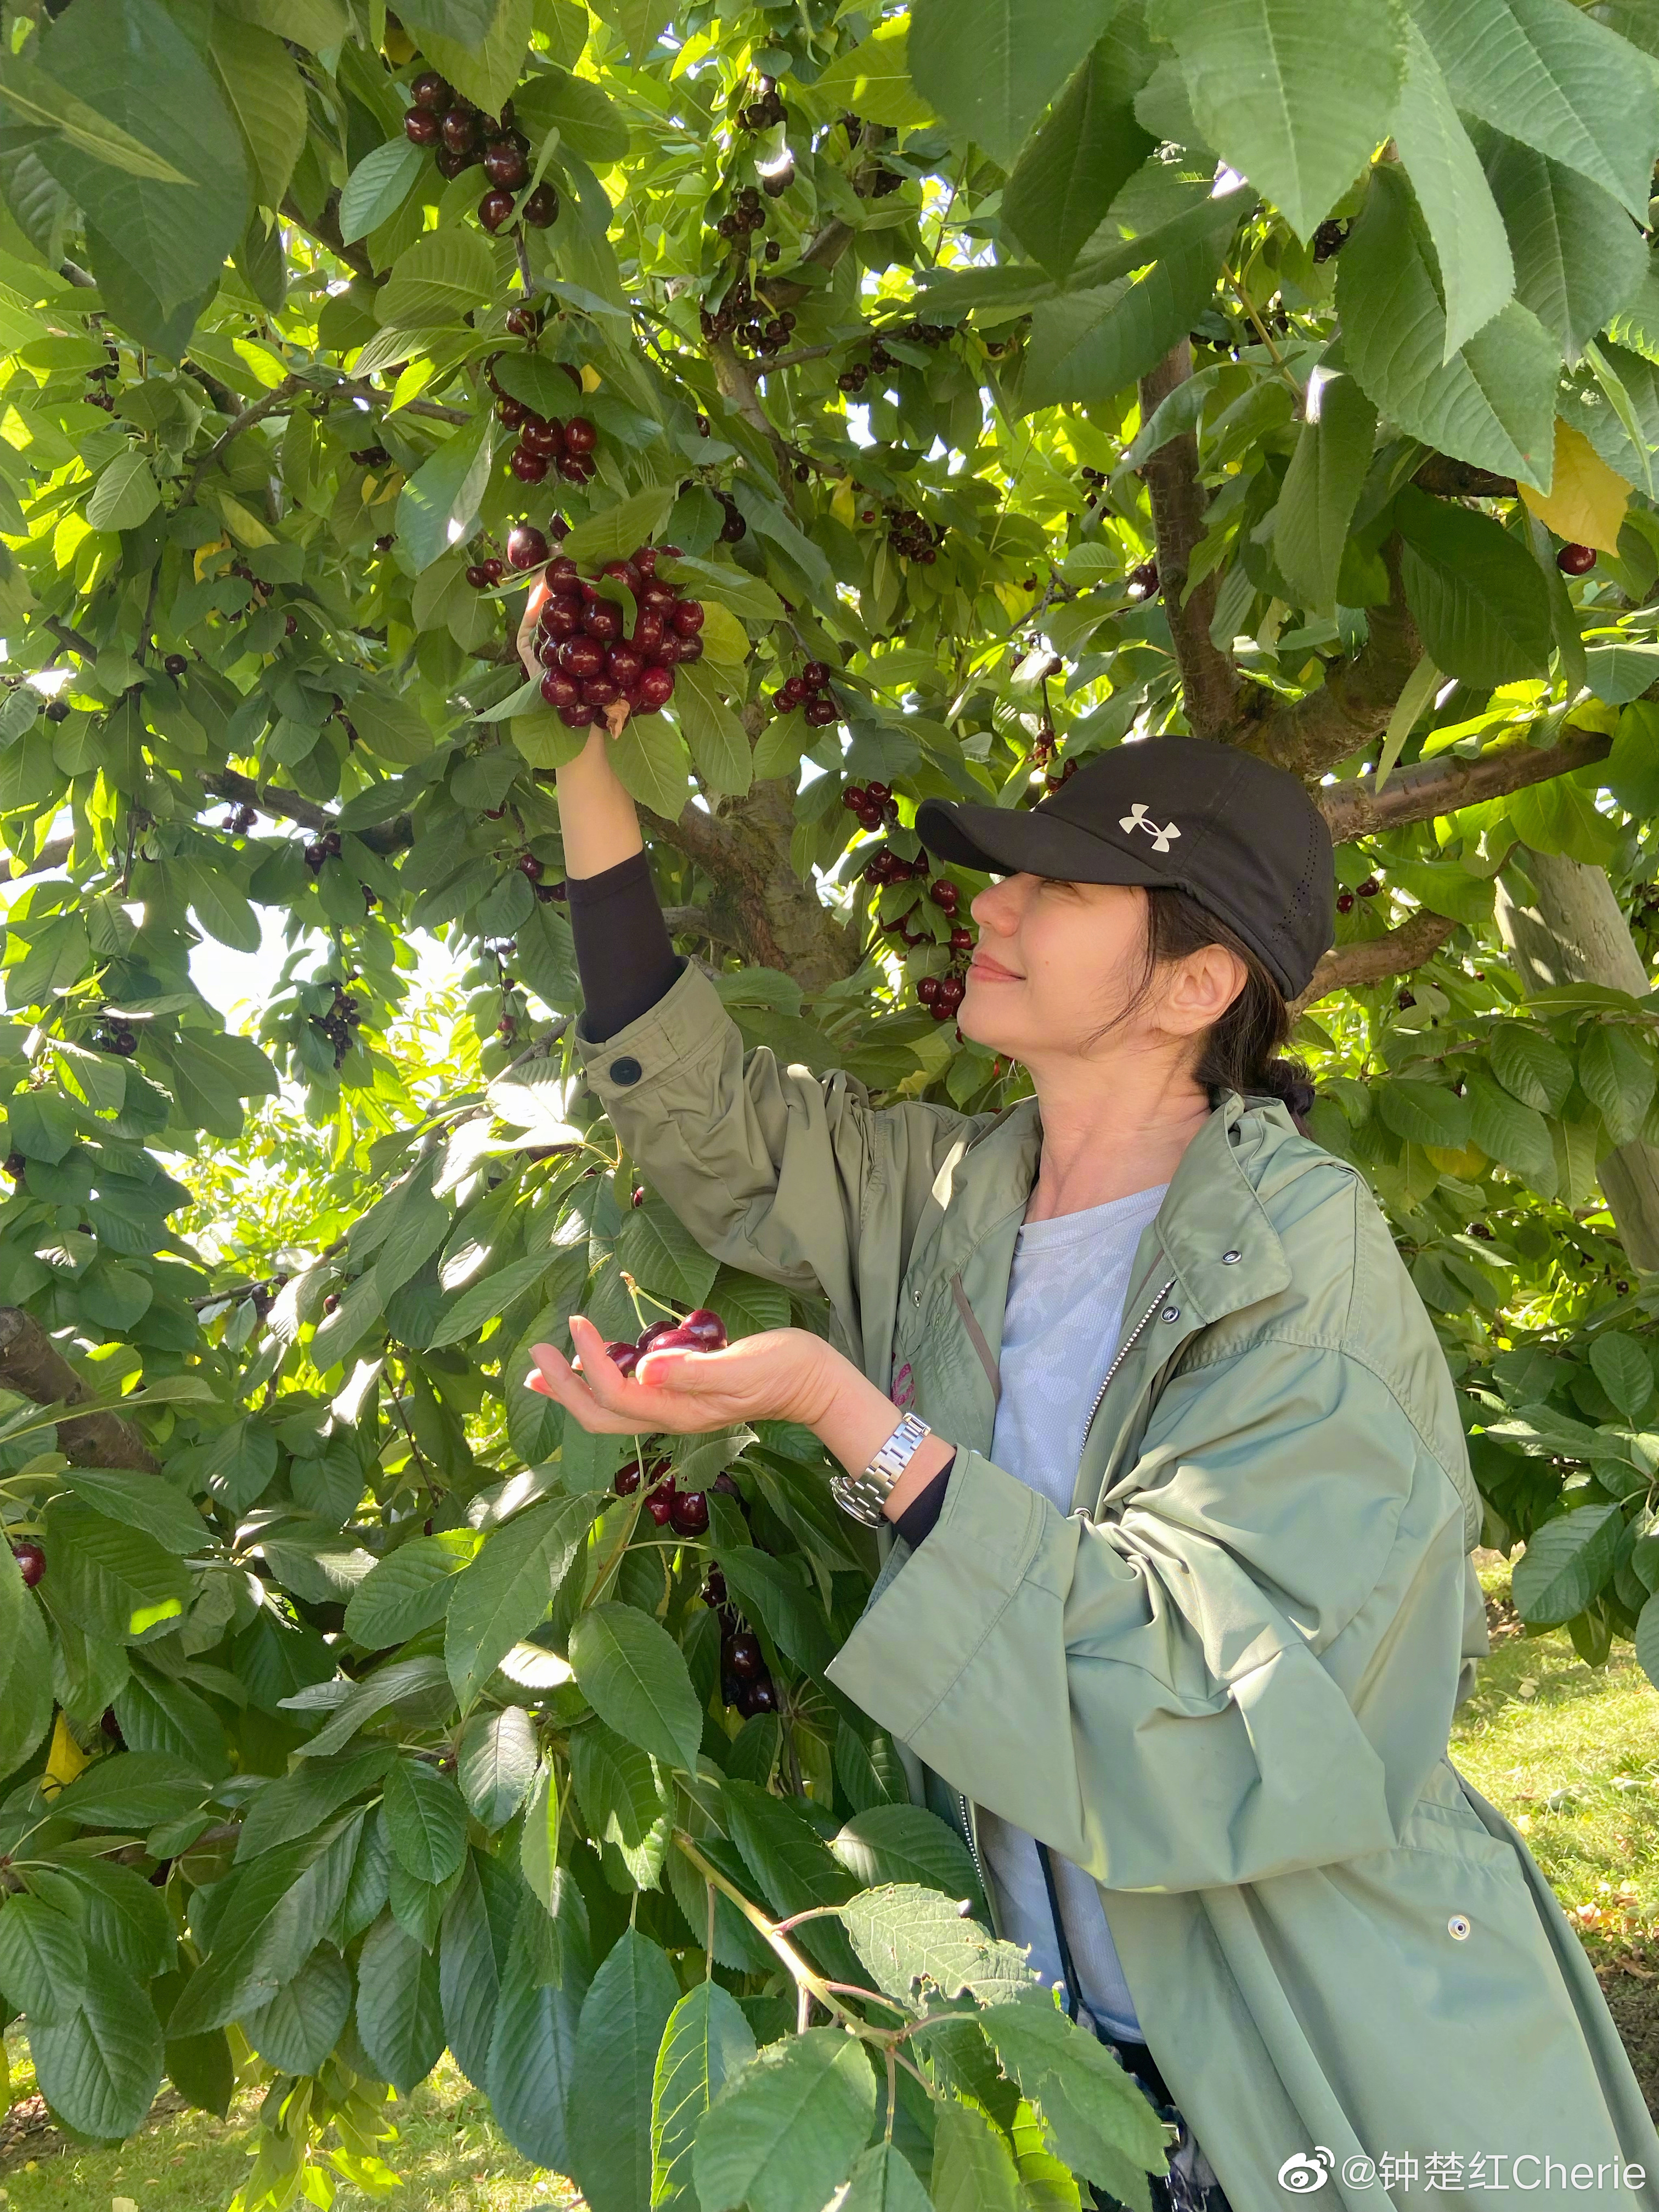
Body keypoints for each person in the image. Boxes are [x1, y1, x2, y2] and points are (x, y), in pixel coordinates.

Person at [523, 647, 1659, 2209]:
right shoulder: (945, 1202)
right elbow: (708, 1113)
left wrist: (847, 1413)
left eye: (1057, 889)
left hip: (1318, 2046)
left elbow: (1209, 1699)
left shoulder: (1299, 1267)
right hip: (1067, 2069)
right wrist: (590, 748)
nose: (991, 906)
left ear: (1195, 985)